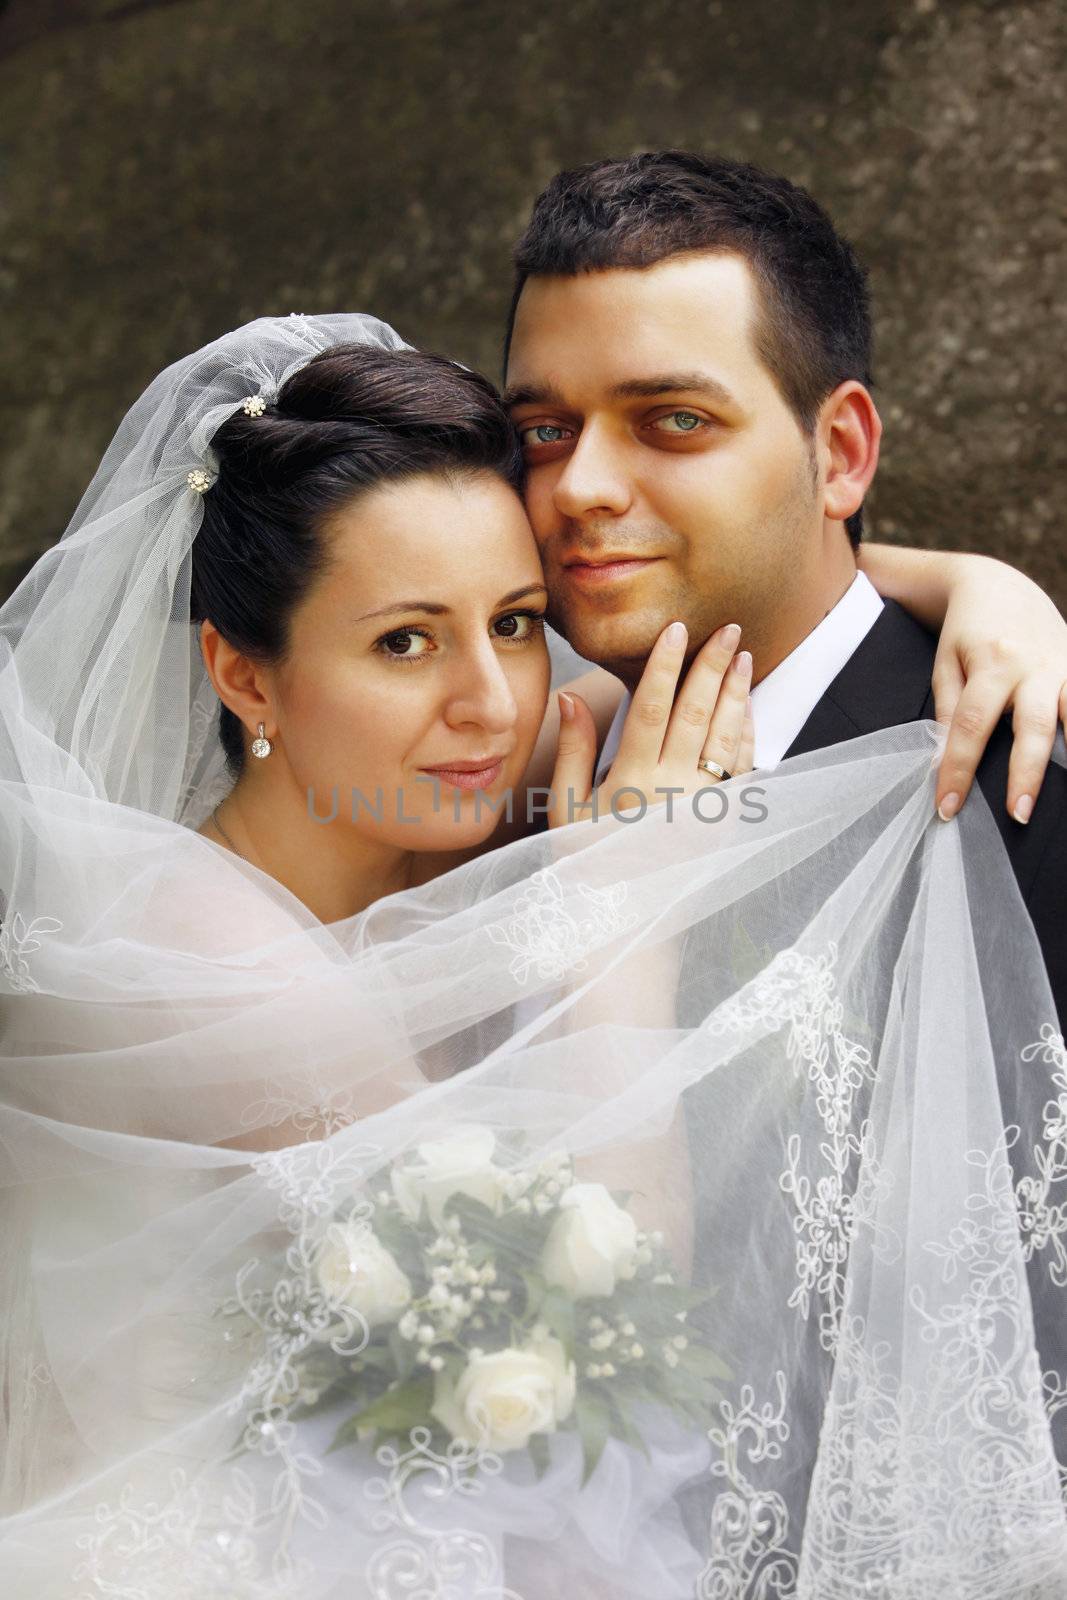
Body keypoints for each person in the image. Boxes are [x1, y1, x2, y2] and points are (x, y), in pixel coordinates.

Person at [1, 313, 1066, 1598]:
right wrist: (622, 919)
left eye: (512, 621)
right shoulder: (219, 960)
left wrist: (975, 587)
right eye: (402, 640)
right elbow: (596, 1330)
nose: (492, 702)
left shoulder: (429, 806)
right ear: (245, 676)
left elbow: (744, 605)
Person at [501, 150, 1067, 1029]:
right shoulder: (483, 781)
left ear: (838, 452)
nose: (579, 487)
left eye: (675, 420)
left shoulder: (1031, 796)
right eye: (543, 429)